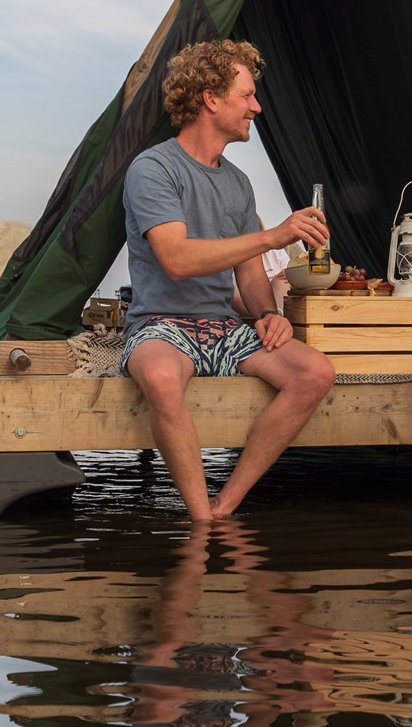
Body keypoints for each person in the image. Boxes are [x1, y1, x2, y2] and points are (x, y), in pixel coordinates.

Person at [121, 39, 336, 520]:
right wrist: (273, 236)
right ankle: (200, 517)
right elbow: (175, 259)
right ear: (210, 99)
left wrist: (267, 315)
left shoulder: (238, 183)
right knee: (159, 375)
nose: (257, 107)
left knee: (316, 372)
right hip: (160, 324)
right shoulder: (152, 169)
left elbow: (250, 276)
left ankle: (225, 505)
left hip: (222, 327)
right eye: (248, 95)